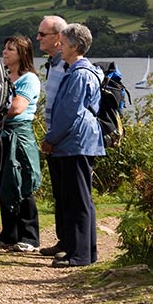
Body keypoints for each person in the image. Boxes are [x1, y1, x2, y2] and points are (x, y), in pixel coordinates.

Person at [41, 23, 105, 268]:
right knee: (78, 198)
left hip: (76, 142)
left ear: (75, 46)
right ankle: (83, 251)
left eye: (64, 43)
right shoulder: (77, 71)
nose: (61, 46)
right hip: (77, 141)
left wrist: (51, 139)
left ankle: (79, 255)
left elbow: (70, 112)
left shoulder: (79, 74)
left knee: (78, 199)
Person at [0, 36, 42, 253]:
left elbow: (16, 108)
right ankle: (9, 234)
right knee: (5, 183)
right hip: (2, 134)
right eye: (5, 48)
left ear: (22, 54)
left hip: (19, 134)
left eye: (11, 49)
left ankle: (29, 236)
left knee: (21, 183)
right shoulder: (3, 75)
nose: (5, 52)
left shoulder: (28, 79)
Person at [36, 15, 68, 257]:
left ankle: (71, 244)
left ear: (59, 38)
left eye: (42, 34)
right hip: (55, 138)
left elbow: (68, 108)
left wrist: (54, 137)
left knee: (70, 194)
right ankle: (63, 240)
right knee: (59, 193)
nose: (38, 38)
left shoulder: (67, 65)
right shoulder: (54, 64)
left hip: (65, 140)